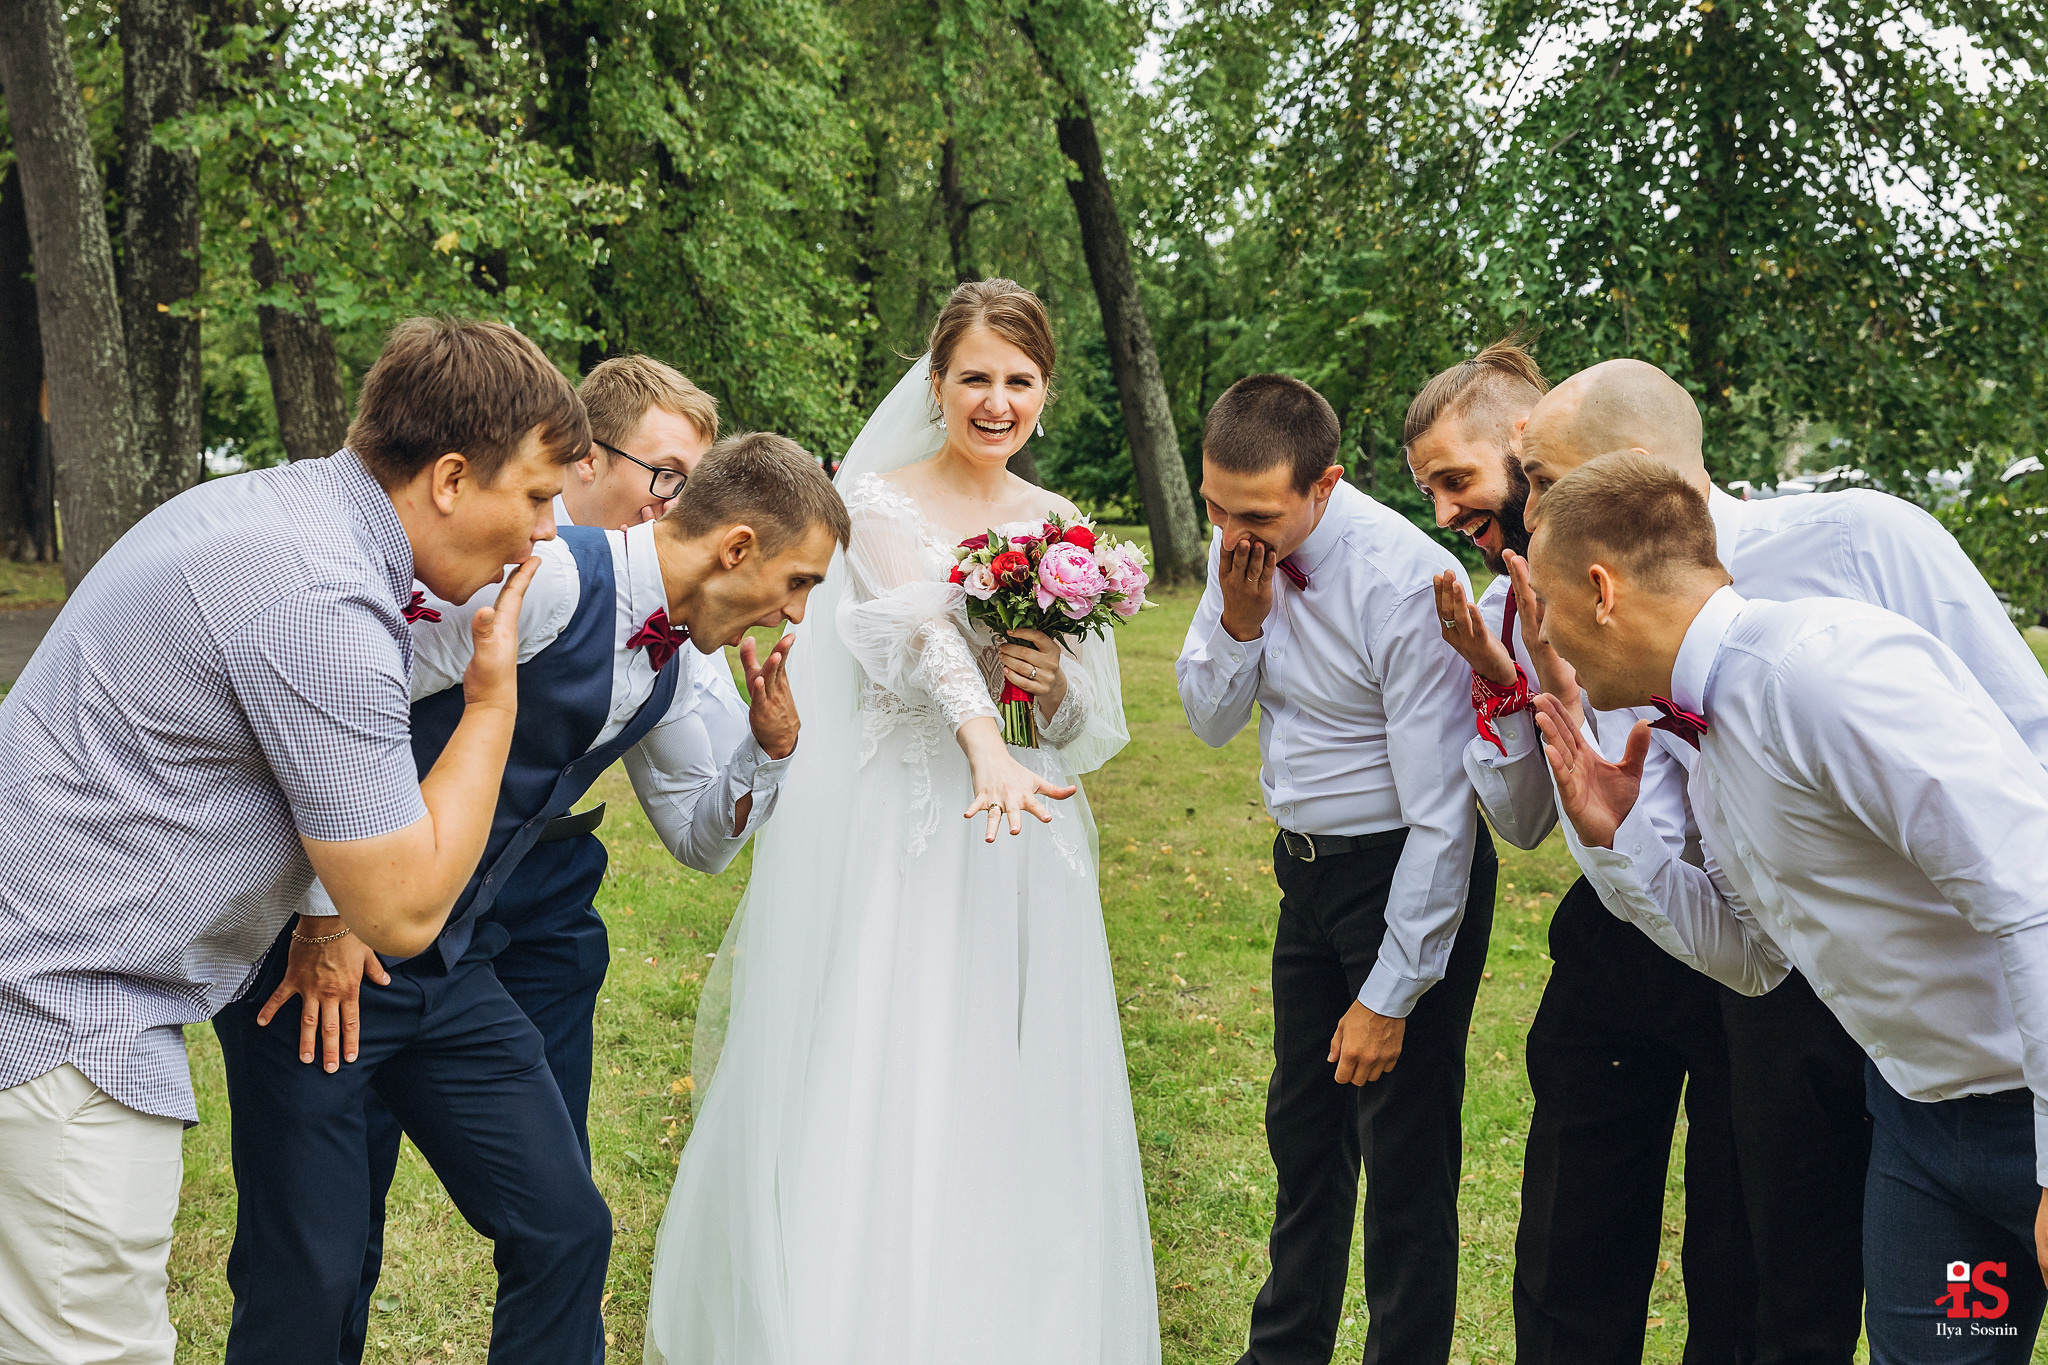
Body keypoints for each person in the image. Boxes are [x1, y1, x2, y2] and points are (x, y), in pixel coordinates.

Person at [0, 316, 575, 1365]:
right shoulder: (320, 597)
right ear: (449, 478)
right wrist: (492, 701)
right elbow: (398, 908)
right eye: (536, 496)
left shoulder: (286, 518)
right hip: (61, 1010)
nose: (544, 534)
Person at [212, 435, 847, 1365]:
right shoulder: (546, 578)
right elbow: (349, 690)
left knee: (566, 1229)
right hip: (319, 964)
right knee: (308, 1269)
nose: (793, 611)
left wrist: (769, 749)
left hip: (449, 966)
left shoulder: (673, 662)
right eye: (799, 583)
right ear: (737, 547)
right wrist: (327, 911)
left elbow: (698, 840)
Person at [644, 279, 1157, 1365]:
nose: (994, 401)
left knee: (1018, 1069)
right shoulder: (872, 503)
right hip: (908, 832)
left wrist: (1044, 684)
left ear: (1044, 395)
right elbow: (922, 641)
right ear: (935, 383)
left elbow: (1084, 718)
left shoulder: (1062, 529)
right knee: (895, 1051)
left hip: (1027, 827)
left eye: (1018, 381)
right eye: (973, 377)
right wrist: (982, 742)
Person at [1508, 357, 2048, 1364]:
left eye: (1543, 613)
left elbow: (2033, 892)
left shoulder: (1821, 669)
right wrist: (1617, 841)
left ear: (1600, 586)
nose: (1546, 645)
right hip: (1920, 1123)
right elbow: (1756, 959)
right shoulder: (1702, 733)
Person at [1406, 342, 1754, 1364]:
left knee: (1737, 1245)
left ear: (1531, 454)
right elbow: (1518, 821)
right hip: (1614, 936)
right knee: (1569, 1240)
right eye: (1426, 491)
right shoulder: (1501, 609)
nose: (1443, 514)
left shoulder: (1706, 570)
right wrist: (1500, 684)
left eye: (1456, 481)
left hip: (1750, 947)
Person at [1179, 373, 1495, 1365]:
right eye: (1216, 507)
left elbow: (1444, 813)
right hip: (1305, 876)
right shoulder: (1240, 545)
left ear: (1326, 485)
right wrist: (1237, 620)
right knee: (1302, 1139)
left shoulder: (1404, 582)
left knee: (1402, 1162)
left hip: (1403, 874)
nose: (1236, 530)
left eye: (1259, 514)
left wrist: (1389, 993)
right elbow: (1206, 717)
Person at [559, 354, 719, 529]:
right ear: (588, 461)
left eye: (695, 484)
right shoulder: (529, 544)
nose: (678, 507)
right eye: (667, 476)